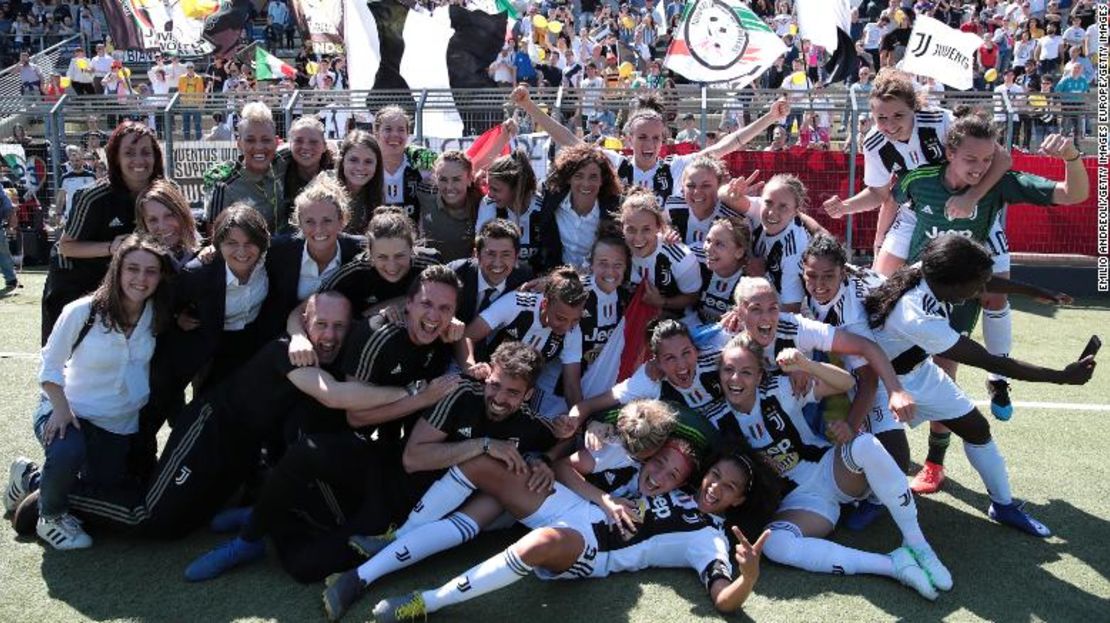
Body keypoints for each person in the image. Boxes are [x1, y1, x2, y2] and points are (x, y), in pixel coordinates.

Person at [26, 291, 405, 542]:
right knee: (152, 517)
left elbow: (340, 319)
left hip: (240, 452)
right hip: (209, 430)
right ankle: (51, 488)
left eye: (339, 326)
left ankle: (57, 485)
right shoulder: (287, 351)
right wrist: (414, 393)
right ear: (306, 324)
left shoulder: (340, 344)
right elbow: (335, 395)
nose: (330, 335)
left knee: (190, 524)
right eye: (321, 325)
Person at [182, 267, 466, 582]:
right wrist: (418, 397)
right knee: (306, 448)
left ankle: (271, 511)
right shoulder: (377, 336)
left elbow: (468, 344)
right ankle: (249, 538)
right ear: (407, 304)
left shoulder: (446, 341)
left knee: (304, 568)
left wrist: (463, 351)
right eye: (427, 304)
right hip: (365, 450)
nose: (434, 315)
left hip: (398, 473)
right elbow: (353, 414)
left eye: (445, 309)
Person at [327, 398, 683, 619]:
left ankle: (427, 602)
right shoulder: (613, 441)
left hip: (592, 536)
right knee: (481, 465)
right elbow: (566, 465)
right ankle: (364, 573)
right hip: (570, 503)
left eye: (644, 448)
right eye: (629, 442)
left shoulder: (676, 467)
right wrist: (601, 494)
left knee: (527, 537)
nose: (635, 451)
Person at [366, 439, 776, 620]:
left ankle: (425, 602)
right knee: (486, 466)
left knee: (542, 542)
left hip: (595, 549)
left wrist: (749, 577)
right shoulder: (680, 485)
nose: (716, 487)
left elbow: (724, 600)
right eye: (715, 476)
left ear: (738, 500)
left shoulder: (709, 537)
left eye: (729, 487)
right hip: (580, 508)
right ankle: (392, 546)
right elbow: (577, 465)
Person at [894, 120, 1089, 492]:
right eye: (970, 158)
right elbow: (892, 210)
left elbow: (1071, 194)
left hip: (957, 296)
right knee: (884, 369)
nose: (979, 167)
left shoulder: (998, 184)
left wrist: (1072, 158)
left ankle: (935, 462)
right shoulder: (917, 181)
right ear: (950, 152)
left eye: (987, 159)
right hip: (912, 294)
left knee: (943, 376)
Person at [865, 234, 1094, 538]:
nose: (981, 292)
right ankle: (864, 501)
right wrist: (1061, 376)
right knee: (891, 459)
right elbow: (993, 362)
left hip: (919, 372)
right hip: (882, 384)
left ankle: (1003, 505)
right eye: (976, 284)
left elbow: (985, 282)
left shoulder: (932, 270)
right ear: (956, 283)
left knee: (977, 428)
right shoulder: (916, 316)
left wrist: (1034, 291)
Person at [704, 334, 950, 600]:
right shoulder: (715, 419)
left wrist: (806, 365)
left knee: (865, 445)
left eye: (746, 372)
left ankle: (917, 543)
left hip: (830, 472)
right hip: (800, 503)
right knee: (775, 545)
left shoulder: (780, 389)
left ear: (760, 376)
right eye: (728, 370)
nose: (735, 379)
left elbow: (845, 382)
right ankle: (893, 565)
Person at [8, 235, 174, 550]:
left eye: (150, 271)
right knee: (68, 448)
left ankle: (29, 478)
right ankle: (51, 515)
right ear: (117, 270)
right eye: (132, 269)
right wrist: (60, 409)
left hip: (119, 422)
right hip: (70, 409)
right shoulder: (83, 311)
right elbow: (50, 366)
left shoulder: (157, 314)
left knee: (104, 489)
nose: (140, 279)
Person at [822, 69, 1012, 278]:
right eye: (881, 118)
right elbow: (880, 194)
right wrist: (845, 207)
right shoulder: (874, 144)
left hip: (972, 205)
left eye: (898, 115)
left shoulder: (941, 122)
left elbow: (1002, 159)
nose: (890, 125)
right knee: (882, 279)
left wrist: (971, 197)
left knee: (996, 290)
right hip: (918, 210)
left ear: (913, 108)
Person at [512, 86, 789, 204]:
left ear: (664, 140)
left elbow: (728, 145)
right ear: (628, 139)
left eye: (656, 138)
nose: (650, 144)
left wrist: (770, 117)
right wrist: (528, 105)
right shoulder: (615, 164)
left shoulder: (676, 167)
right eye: (642, 137)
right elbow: (569, 140)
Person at [41, 121, 165, 346]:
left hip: (128, 283)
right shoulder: (94, 196)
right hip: (76, 283)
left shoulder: (165, 192)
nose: (139, 160)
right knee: (72, 359)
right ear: (115, 158)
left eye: (146, 152)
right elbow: (66, 246)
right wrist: (111, 247)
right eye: (129, 153)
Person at [463, 266, 587, 416]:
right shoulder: (516, 303)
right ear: (545, 304)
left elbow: (572, 385)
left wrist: (579, 421)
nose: (567, 327)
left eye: (575, 320)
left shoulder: (574, 330)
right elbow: (468, 335)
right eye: (560, 318)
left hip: (519, 397)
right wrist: (470, 366)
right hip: (485, 379)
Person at [258, 175, 363, 342]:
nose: (319, 229)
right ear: (298, 223)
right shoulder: (277, 251)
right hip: (286, 340)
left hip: (342, 342)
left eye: (327, 220)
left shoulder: (360, 251)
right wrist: (211, 251)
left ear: (342, 221)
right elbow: (242, 251)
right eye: (309, 221)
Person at [297, 207, 440, 323]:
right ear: (370, 253)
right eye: (382, 257)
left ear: (413, 249)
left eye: (400, 256)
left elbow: (452, 304)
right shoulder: (354, 273)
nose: (392, 266)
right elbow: (313, 309)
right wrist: (375, 315)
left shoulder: (430, 268)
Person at [528, 144, 623, 273]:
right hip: (557, 276)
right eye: (579, 176)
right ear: (568, 178)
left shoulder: (613, 211)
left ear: (602, 180)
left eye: (593, 177)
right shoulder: (551, 199)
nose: (586, 183)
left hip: (598, 279)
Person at [205, 102, 285, 234]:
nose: (259, 147)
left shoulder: (284, 164)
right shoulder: (224, 185)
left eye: (266, 140)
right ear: (239, 143)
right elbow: (214, 238)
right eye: (250, 140)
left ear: (276, 142)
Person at [619, 189, 702, 313]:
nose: (638, 238)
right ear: (622, 228)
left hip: (675, 321)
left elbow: (692, 297)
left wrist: (662, 302)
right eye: (631, 229)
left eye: (646, 229)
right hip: (631, 319)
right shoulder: (616, 250)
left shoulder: (681, 259)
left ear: (659, 227)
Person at [448, 219, 533, 325]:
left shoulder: (525, 277)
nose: (497, 263)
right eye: (490, 254)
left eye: (505, 254)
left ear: (516, 257)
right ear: (476, 255)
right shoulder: (455, 273)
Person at [474, 150, 541, 266]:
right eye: (489, 187)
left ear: (517, 188)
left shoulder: (542, 206)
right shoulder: (489, 204)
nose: (489, 194)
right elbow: (483, 250)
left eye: (495, 189)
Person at [417, 151, 483, 263]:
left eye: (456, 179)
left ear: (469, 179)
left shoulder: (482, 206)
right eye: (443, 179)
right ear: (435, 179)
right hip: (432, 276)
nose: (449, 187)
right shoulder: (424, 195)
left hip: (466, 277)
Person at [276, 117, 335, 232]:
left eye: (313, 142)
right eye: (299, 141)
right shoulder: (278, 171)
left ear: (324, 146)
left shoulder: (337, 176)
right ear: (290, 145)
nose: (306, 147)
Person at [134, 179, 200, 269]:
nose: (162, 226)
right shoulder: (139, 262)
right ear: (144, 224)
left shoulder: (207, 248)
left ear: (182, 212)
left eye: (169, 215)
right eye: (153, 220)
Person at [334, 130, 384, 235]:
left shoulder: (377, 195)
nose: (360, 167)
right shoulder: (324, 190)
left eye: (368, 161)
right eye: (353, 160)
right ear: (342, 161)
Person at [55, 145, 98, 225]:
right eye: (72, 161)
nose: (75, 163)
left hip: (88, 214)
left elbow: (96, 195)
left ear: (82, 161)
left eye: (77, 160)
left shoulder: (91, 176)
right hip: (71, 214)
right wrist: (58, 214)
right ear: (69, 162)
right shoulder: (65, 178)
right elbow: (61, 198)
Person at [178, 62, 205, 141]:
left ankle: (199, 141)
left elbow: (201, 91)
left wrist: (201, 103)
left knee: (197, 124)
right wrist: (181, 102)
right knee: (186, 124)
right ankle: (186, 141)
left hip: (196, 104)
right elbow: (179, 90)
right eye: (188, 67)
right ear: (186, 69)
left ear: (194, 68)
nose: (190, 69)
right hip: (185, 104)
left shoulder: (199, 78)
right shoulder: (181, 78)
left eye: (191, 67)